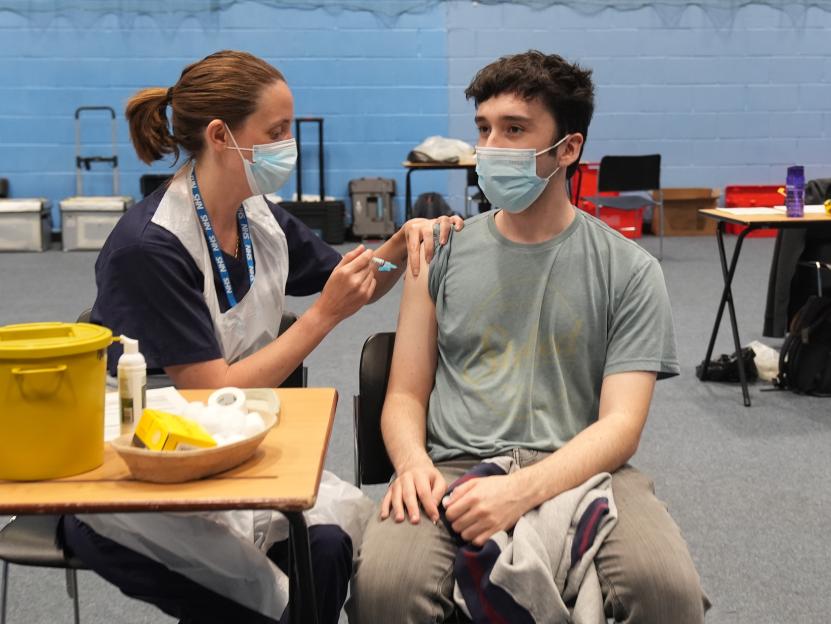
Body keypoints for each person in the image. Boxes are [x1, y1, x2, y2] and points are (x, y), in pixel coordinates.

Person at [59, 50, 462, 624]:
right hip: (141, 481)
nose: (287, 145)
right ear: (222, 135)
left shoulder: (258, 216)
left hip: (232, 449)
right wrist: (323, 317)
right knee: (275, 597)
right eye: (275, 132)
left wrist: (405, 242)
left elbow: (354, 285)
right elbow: (208, 389)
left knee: (330, 544)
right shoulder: (149, 248)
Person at [348, 50, 710, 623]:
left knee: (667, 592)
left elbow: (621, 426)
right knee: (386, 590)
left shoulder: (631, 270)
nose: (490, 147)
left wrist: (521, 491)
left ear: (568, 148)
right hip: (450, 466)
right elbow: (404, 396)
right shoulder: (437, 253)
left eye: (515, 130)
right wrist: (412, 463)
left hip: (585, 468)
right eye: (484, 129)